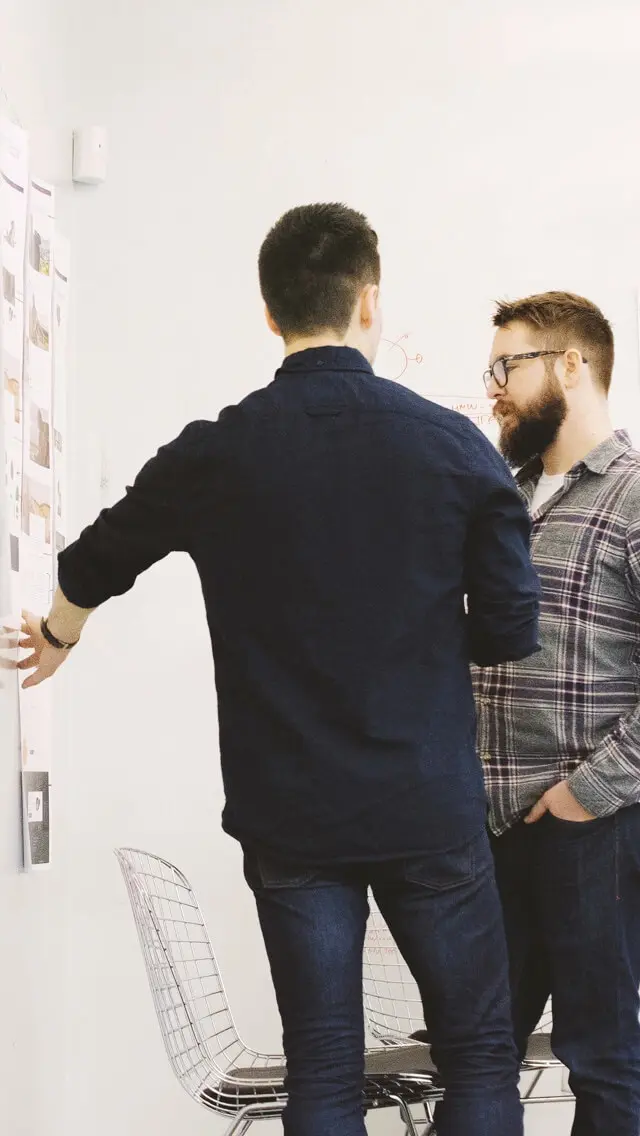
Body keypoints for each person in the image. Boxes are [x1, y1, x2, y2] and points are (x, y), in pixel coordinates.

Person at [18, 203, 540, 1136]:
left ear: (271, 315)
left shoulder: (217, 452)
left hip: (291, 812)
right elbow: (507, 632)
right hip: (428, 803)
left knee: (325, 1071)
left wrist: (60, 636)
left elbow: (90, 562)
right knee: (479, 1060)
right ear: (369, 302)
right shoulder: (456, 449)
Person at [477, 290, 640, 1136]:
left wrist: (586, 792)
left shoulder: (633, 498)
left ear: (572, 365)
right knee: (475, 1056)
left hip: (594, 832)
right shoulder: (498, 498)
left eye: (510, 365)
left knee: (603, 1060)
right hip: (490, 832)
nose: (495, 386)